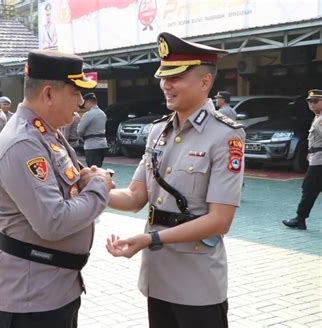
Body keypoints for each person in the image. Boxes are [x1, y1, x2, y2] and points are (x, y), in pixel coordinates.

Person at [103, 32, 245, 328]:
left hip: (198, 281)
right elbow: (135, 198)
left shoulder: (225, 135)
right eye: (163, 76)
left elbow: (220, 221)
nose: (166, 85)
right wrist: (88, 187)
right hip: (158, 274)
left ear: (205, 82)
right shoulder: (158, 132)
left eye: (176, 77)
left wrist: (151, 239)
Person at [0, 50, 114, 328]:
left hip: (55, 287)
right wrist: (99, 188)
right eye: (75, 93)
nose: (81, 102)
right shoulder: (23, 142)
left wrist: (87, 182)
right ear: (48, 93)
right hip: (33, 297)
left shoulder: (47, 133)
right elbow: (53, 221)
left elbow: (72, 186)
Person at [282, 89, 322, 230]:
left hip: (319, 163)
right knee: (310, 189)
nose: (311, 104)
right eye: (309, 101)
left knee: (309, 189)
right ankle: (300, 219)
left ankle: (300, 219)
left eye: (315, 101)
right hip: (316, 159)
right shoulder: (318, 117)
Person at [77, 93, 108, 167]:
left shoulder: (88, 114)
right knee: (98, 168)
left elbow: (79, 130)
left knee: (93, 170)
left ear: (89, 102)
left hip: (91, 146)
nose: (84, 106)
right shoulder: (103, 114)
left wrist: (81, 137)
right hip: (103, 145)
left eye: (85, 103)